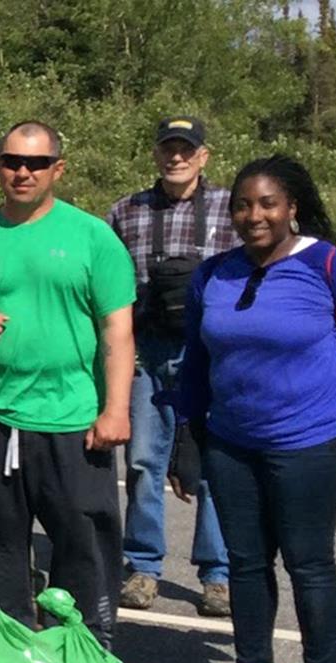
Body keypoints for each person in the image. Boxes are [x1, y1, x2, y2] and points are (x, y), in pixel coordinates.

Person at [183, 155, 336, 663]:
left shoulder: (328, 263)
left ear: (292, 207)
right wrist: (186, 431)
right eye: (243, 205)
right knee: (246, 563)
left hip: (314, 437)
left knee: (309, 561)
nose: (254, 215)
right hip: (231, 439)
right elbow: (197, 362)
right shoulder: (214, 274)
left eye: (267, 203)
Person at [0, 121, 136, 645]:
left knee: (83, 544)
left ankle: (87, 650)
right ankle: (5, 649)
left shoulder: (92, 238)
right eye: (12, 161)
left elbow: (118, 330)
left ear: (57, 169)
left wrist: (116, 411)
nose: (23, 171)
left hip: (73, 419)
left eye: (36, 163)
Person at [107, 116, 240, 618]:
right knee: (143, 461)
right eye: (168, 149)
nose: (176, 158)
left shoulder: (231, 209)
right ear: (156, 154)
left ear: (203, 156)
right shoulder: (126, 211)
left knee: (210, 465)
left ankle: (217, 574)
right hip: (146, 351)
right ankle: (142, 566)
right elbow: (106, 283)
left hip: (209, 354)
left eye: (186, 150)